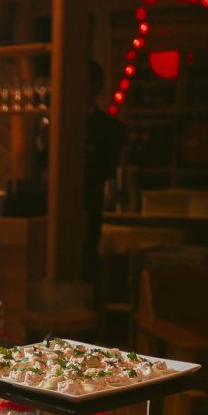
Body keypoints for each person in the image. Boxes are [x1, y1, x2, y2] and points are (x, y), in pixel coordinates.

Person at [82, 60, 126, 284]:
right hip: (54, 204)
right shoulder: (58, 121)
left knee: (86, 260)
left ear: (96, 87)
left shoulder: (110, 128)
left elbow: (107, 168)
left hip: (90, 204)